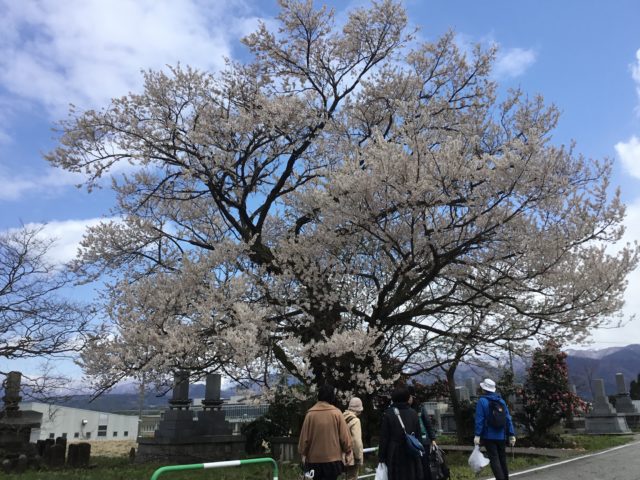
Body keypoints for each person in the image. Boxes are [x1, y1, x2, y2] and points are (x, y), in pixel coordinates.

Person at [298, 384, 353, 480]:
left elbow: (304, 439)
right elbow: (345, 437)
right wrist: (348, 451)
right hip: (333, 461)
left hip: (314, 461)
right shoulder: (337, 413)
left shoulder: (310, 414)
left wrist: (303, 453)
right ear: (331, 396)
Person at [474, 378, 516, 480]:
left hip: (489, 436)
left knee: (494, 460)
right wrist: (511, 434)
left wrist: (477, 435)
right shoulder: (501, 401)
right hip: (501, 436)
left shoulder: (482, 401)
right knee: (502, 459)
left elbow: (479, 419)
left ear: (484, 389)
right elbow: (507, 418)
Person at [378, 385, 424, 480]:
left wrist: (381, 456)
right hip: (411, 450)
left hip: (394, 452)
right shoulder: (413, 413)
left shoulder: (388, 413)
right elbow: (418, 435)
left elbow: (384, 437)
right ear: (407, 397)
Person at [343, 397, 364, 480]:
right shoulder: (355, 421)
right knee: (352, 477)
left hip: (341, 455)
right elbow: (356, 441)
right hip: (351, 457)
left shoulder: (341, 416)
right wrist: (358, 457)